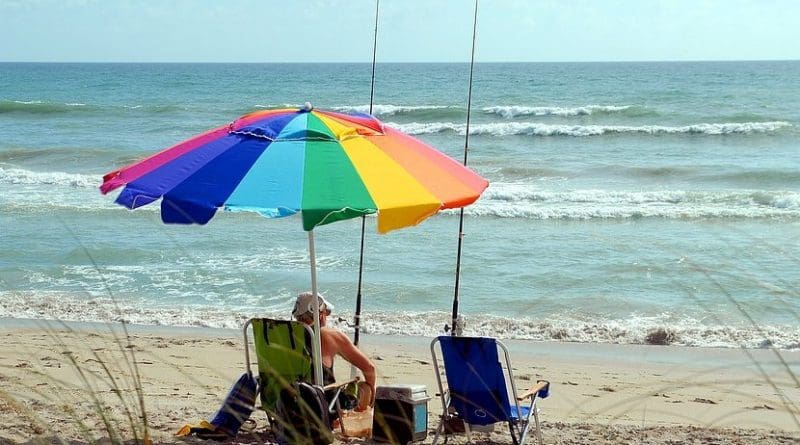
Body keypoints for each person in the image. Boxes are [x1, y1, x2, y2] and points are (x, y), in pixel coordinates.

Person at [292, 291, 376, 409]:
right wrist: (372, 395)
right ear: (320, 314)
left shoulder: (282, 334)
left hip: (287, 403)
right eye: (326, 313)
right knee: (363, 388)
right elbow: (369, 369)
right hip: (320, 406)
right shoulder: (329, 335)